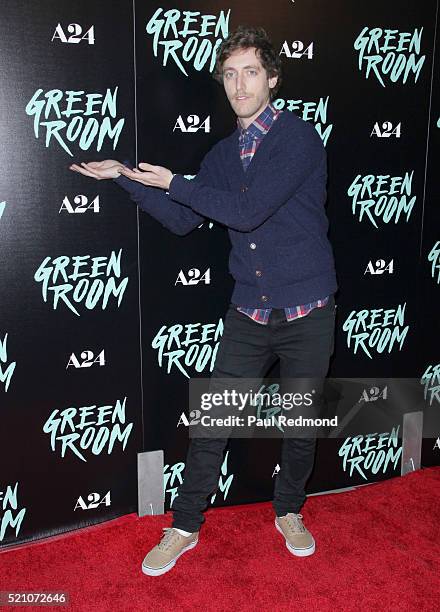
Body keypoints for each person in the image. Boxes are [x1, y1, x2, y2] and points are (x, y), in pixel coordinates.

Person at [70, 25, 338, 577]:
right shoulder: (221, 155)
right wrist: (125, 177)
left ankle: (289, 510)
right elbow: (184, 219)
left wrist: (174, 181)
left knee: (298, 426)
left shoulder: (299, 139)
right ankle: (185, 525)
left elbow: (247, 211)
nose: (240, 84)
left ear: (273, 79)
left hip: (308, 311)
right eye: (231, 73)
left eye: (252, 72)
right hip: (249, 311)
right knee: (212, 422)